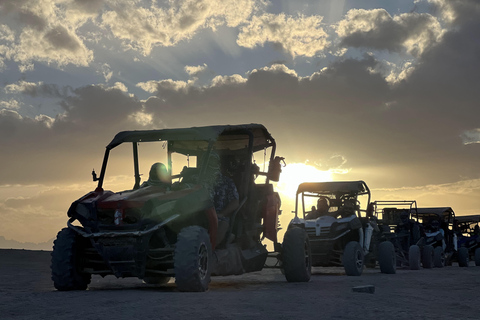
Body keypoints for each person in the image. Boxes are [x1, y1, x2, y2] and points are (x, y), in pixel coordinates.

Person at [202, 152, 240, 245]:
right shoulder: (194, 180)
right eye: (206, 162)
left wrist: (222, 214)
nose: (208, 164)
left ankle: (210, 251)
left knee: (221, 226)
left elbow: (235, 202)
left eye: (211, 162)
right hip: (195, 215)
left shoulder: (226, 182)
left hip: (217, 217)